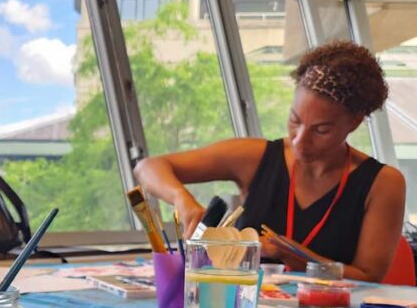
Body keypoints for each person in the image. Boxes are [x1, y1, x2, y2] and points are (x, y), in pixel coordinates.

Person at [134, 40, 406, 283]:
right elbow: (148, 167)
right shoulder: (255, 157)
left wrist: (302, 259)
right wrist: (182, 199)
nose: (299, 140)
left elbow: (370, 277)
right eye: (294, 121)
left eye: (321, 130)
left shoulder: (382, 184)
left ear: (355, 122)